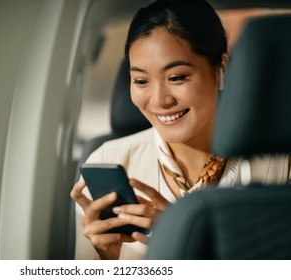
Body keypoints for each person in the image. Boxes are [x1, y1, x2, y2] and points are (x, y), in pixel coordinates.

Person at [70, 0, 290, 260]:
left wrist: (181, 238)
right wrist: (107, 258)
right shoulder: (110, 160)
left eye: (176, 77)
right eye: (141, 81)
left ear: (221, 68)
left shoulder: (281, 166)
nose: (160, 100)